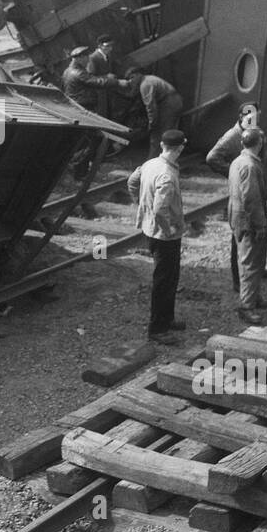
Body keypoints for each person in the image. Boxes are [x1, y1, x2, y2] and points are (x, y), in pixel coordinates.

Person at [206, 104, 267, 290]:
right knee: (241, 236)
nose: (254, 119)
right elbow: (212, 158)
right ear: (241, 117)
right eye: (250, 117)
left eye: (255, 116)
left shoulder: (255, 133)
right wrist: (233, 173)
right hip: (244, 194)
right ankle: (239, 280)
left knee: (261, 231)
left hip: (257, 189)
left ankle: (258, 269)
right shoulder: (233, 136)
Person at [128, 129, 187, 341]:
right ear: (180, 148)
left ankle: (168, 318)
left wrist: (140, 204)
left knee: (170, 278)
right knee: (164, 280)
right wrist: (169, 229)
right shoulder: (168, 175)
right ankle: (158, 329)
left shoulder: (150, 164)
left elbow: (132, 182)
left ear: (162, 146)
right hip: (164, 236)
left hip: (150, 229)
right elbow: (161, 209)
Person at [228, 127, 267, 324]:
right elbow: (252, 198)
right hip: (249, 221)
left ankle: (254, 296)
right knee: (250, 264)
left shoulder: (238, 161)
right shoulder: (251, 166)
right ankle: (246, 306)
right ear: (259, 144)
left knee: (253, 260)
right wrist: (260, 224)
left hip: (239, 218)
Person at [61, 46, 121, 177]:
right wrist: (115, 81)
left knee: (86, 140)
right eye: (86, 58)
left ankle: (81, 170)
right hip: (83, 109)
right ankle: (79, 172)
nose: (88, 60)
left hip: (77, 108)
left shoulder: (69, 71)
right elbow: (95, 82)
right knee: (89, 141)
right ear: (80, 58)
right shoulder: (77, 73)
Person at [125, 67, 184, 149]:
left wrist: (151, 124)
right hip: (174, 101)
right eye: (129, 79)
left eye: (132, 77)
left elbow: (150, 107)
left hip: (169, 103)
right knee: (169, 133)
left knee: (158, 134)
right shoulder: (148, 79)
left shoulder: (145, 85)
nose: (131, 81)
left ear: (139, 74)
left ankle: (153, 159)